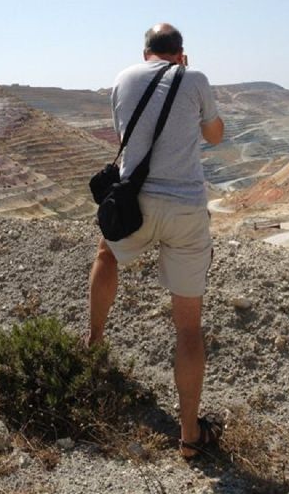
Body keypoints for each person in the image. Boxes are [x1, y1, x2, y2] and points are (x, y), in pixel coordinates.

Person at [88, 23, 225, 458]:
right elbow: (214, 135)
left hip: (135, 205)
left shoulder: (123, 79)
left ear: (145, 52)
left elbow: (127, 136)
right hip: (185, 209)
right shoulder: (195, 79)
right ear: (181, 54)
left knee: (106, 254)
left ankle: (93, 347)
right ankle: (189, 436)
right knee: (188, 325)